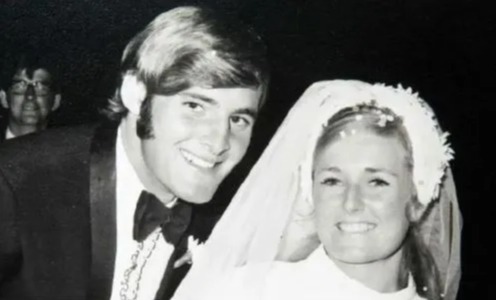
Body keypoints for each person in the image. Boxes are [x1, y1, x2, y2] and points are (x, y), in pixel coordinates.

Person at [0, 6, 269, 300]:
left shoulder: (231, 223)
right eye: (195, 106)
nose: (219, 143)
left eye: (238, 120)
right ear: (137, 95)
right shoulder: (16, 181)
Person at [173, 80, 462, 300]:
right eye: (332, 181)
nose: (351, 203)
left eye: (377, 182)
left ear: (418, 199)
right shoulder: (246, 291)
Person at [0, 53, 61, 141]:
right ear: (3, 98)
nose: (30, 96)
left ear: (56, 101)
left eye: (41, 88)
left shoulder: (75, 151)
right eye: (19, 87)